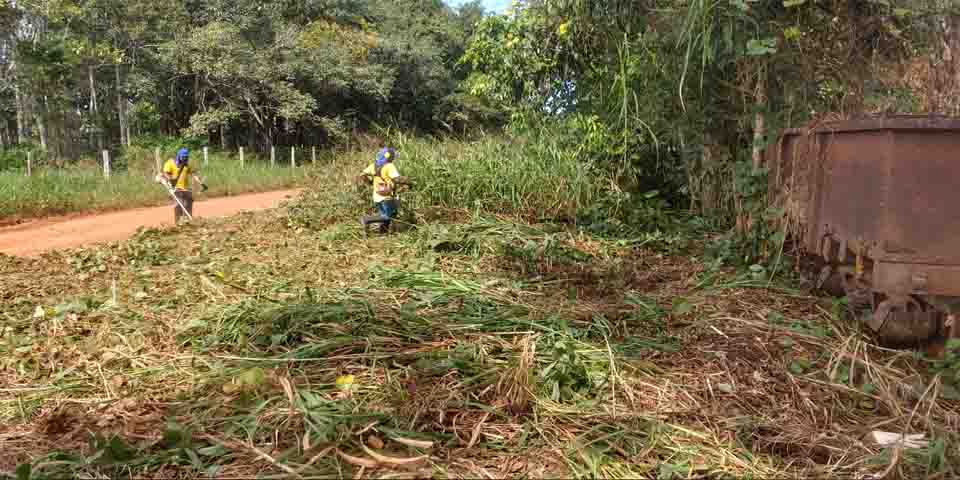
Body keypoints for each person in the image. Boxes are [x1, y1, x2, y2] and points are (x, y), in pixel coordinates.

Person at [359, 147, 408, 234]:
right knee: (388, 216)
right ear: (389, 157)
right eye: (392, 157)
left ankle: (383, 232)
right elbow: (397, 179)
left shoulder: (373, 165)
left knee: (386, 214)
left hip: (376, 196)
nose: (393, 158)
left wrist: (370, 182)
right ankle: (366, 219)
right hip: (386, 196)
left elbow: (362, 175)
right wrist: (409, 182)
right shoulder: (389, 166)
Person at [160, 148, 207, 223]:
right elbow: (166, 174)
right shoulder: (170, 163)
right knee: (178, 205)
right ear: (179, 156)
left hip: (185, 188)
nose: (185, 159)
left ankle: (188, 222)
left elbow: (193, 174)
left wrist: (201, 183)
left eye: (186, 157)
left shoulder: (186, 165)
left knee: (188, 205)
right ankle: (178, 223)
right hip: (175, 189)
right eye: (183, 157)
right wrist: (170, 180)